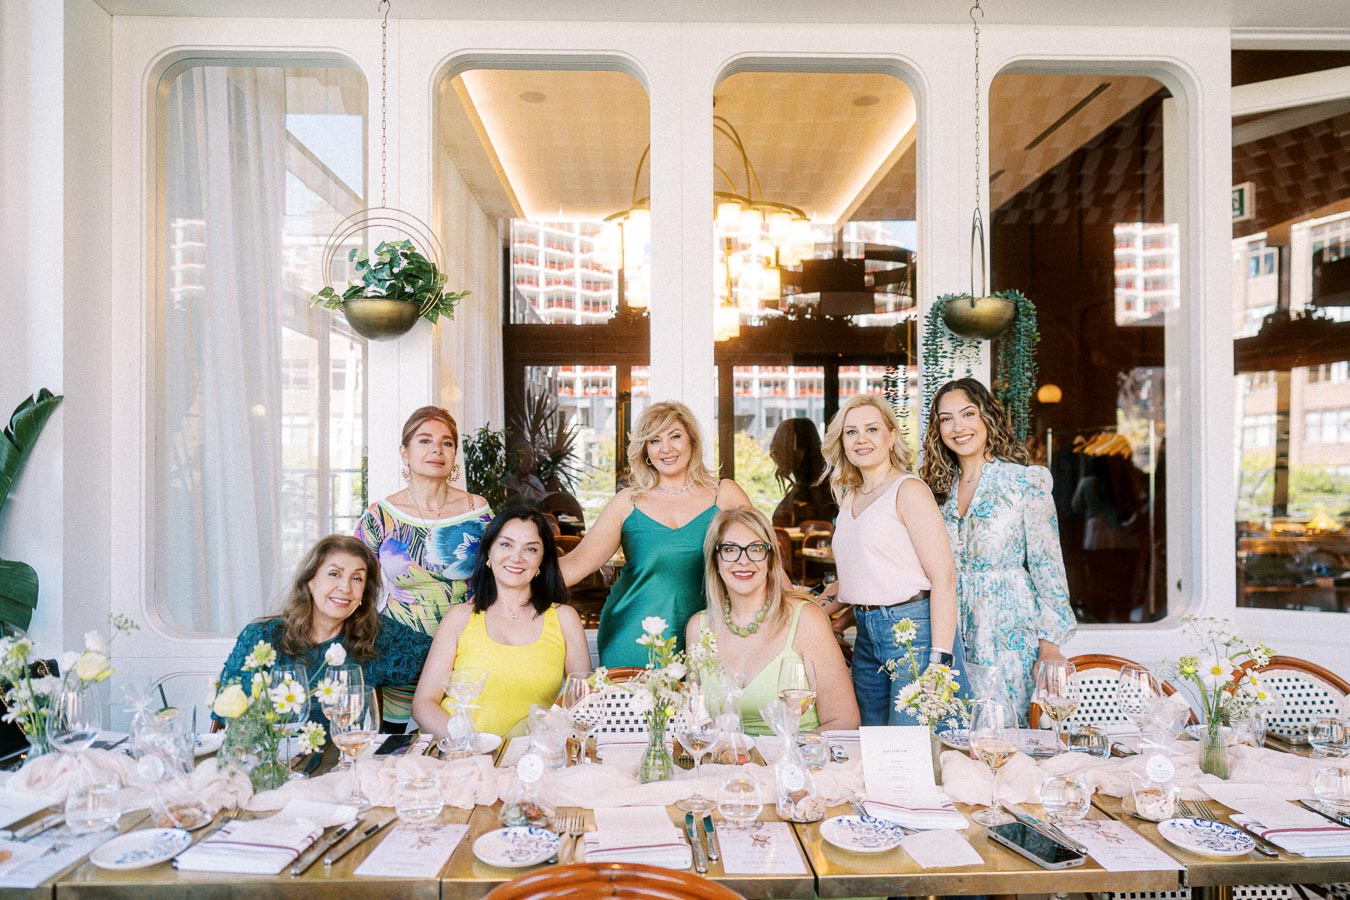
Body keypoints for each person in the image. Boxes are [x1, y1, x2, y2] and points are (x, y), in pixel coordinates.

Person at [919, 377, 1076, 721]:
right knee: (954, 730)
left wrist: (1050, 645)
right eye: (946, 419)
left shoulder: (1024, 483)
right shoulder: (934, 491)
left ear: (988, 418)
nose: (958, 427)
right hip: (951, 629)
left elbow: (1048, 567)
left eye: (968, 414)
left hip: (1010, 634)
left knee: (1006, 732)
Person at [813, 394, 968, 726]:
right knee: (875, 749)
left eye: (872, 429)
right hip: (869, 637)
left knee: (914, 752)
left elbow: (945, 578)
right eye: (851, 432)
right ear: (841, 441)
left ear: (891, 435)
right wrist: (805, 610)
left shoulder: (908, 490)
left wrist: (940, 662)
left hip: (916, 632)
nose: (862, 439)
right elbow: (858, 577)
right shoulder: (850, 496)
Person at [559, 401, 751, 667]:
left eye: (675, 436)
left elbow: (762, 558)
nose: (666, 449)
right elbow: (575, 565)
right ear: (646, 450)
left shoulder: (725, 494)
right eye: (654, 440)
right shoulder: (628, 502)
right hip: (633, 635)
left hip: (707, 636)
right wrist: (503, 580)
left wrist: (812, 607)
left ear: (692, 441)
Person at [356, 406, 492, 730]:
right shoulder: (380, 515)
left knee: (462, 736)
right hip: (400, 649)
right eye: (425, 441)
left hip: (464, 651)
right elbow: (355, 583)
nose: (437, 450)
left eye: (447, 443)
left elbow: (498, 575)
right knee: (397, 744)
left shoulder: (478, 510)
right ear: (405, 453)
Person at [412, 506, 589, 738]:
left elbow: (582, 701)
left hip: (530, 761)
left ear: (542, 561)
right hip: (458, 754)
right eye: (506, 544)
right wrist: (470, 745)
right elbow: (424, 704)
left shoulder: (565, 618)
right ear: (488, 554)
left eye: (531, 549)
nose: (516, 557)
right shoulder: (460, 617)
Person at [216, 535, 432, 725]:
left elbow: (443, 655)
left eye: (357, 578)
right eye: (334, 574)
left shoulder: (376, 636)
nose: (346, 588)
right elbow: (229, 717)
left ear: (363, 593)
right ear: (310, 581)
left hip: (344, 763)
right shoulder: (262, 637)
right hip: (273, 764)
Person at [686, 507, 858, 735]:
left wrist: (777, 759)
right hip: (725, 764)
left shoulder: (806, 619)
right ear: (715, 561)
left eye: (755, 550)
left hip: (797, 763)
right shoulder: (698, 628)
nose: (743, 561)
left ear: (770, 558)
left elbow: (843, 720)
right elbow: (697, 721)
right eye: (730, 550)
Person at [768, 418, 837, 527]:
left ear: (800, 449)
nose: (775, 453)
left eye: (783, 446)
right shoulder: (809, 485)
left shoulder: (818, 488)